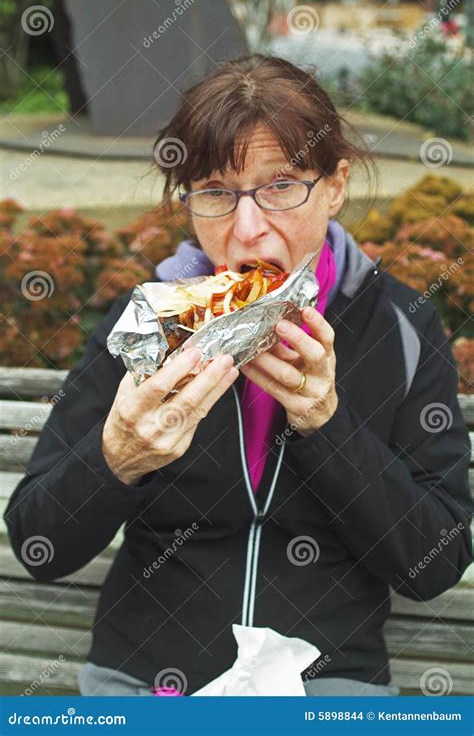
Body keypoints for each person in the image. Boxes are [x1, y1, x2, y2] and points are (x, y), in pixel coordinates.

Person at [5, 55, 472, 697]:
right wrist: (117, 458)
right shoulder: (145, 324)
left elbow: (435, 564)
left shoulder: (401, 327)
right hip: (147, 681)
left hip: (328, 685)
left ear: (334, 186)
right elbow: (41, 545)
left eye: (281, 185)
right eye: (218, 193)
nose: (248, 231)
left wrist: (326, 425)